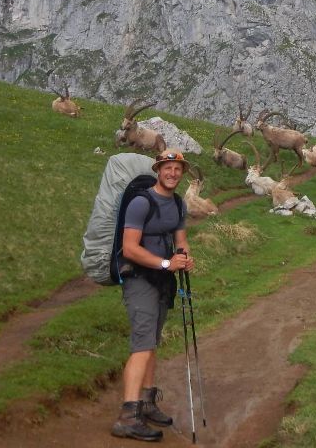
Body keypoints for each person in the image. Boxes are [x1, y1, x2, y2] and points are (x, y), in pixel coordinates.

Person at [111, 149, 195, 442]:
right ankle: (127, 417)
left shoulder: (178, 204)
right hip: (138, 279)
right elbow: (130, 248)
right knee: (142, 344)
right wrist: (165, 263)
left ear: (182, 173)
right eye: (167, 168)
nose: (172, 173)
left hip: (162, 280)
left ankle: (146, 403)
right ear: (158, 170)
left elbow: (180, 240)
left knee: (152, 342)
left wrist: (184, 257)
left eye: (177, 169)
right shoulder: (140, 203)